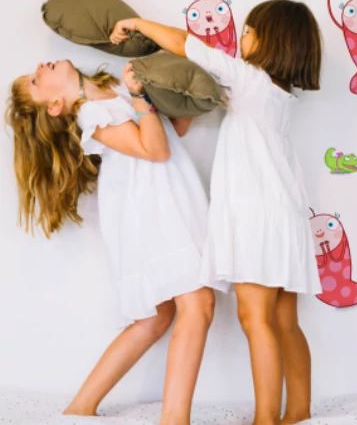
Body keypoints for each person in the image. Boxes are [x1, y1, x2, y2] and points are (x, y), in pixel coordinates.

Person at [110, 0, 323, 425]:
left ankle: (266, 419)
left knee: (254, 317)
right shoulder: (279, 96)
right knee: (285, 321)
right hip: (286, 214)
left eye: (248, 31)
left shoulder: (248, 80)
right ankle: (298, 412)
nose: (241, 39)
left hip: (256, 215)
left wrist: (137, 23)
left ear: (271, 40)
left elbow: (186, 44)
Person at [5, 59, 220, 425]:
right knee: (198, 304)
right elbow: (155, 150)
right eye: (36, 80)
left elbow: (172, 131)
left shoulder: (115, 90)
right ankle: (174, 420)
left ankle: (80, 407)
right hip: (153, 213)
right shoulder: (91, 113)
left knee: (155, 318)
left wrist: (173, 91)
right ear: (55, 105)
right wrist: (140, 97)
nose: (40, 67)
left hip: (169, 202)